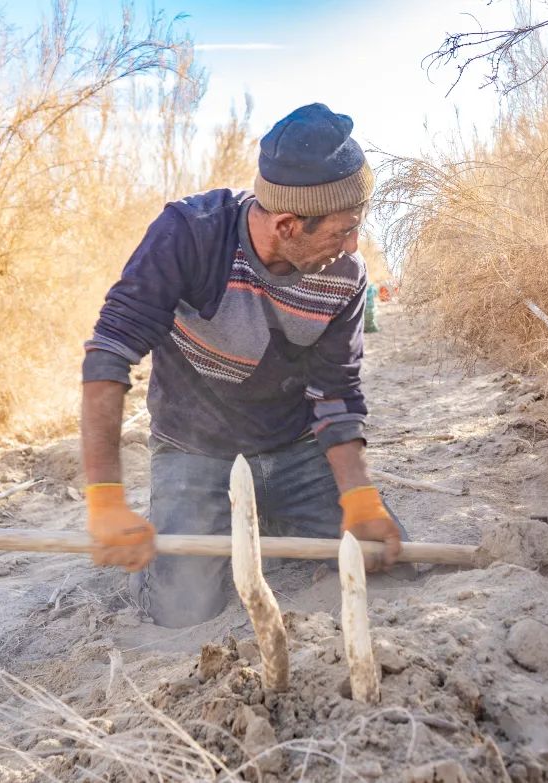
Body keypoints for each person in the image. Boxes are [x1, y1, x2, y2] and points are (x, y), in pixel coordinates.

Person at [79, 103, 405, 628]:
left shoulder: (345, 275)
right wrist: (105, 497)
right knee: (180, 610)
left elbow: (336, 392)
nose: (352, 245)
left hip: (295, 451)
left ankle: (269, 517)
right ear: (287, 224)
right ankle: (188, 550)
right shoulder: (189, 235)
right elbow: (109, 353)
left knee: (383, 560)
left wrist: (359, 496)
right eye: (343, 230)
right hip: (196, 452)